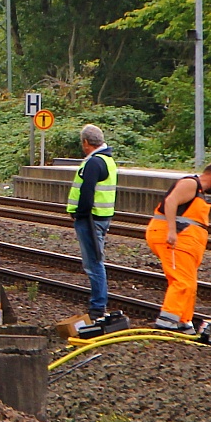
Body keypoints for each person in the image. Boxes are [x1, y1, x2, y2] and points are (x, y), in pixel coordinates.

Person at [145, 162, 211, 334]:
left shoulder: (198, 192)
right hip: (175, 239)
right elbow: (171, 201)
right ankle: (166, 323)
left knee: (189, 283)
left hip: (186, 242)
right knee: (181, 281)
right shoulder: (191, 184)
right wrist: (172, 232)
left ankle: (184, 322)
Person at [66, 124, 118, 321]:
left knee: (93, 263)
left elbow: (87, 191)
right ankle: (98, 304)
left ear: (86, 142)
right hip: (101, 217)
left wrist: (80, 213)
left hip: (90, 219)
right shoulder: (108, 160)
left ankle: (98, 306)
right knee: (95, 261)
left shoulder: (94, 163)